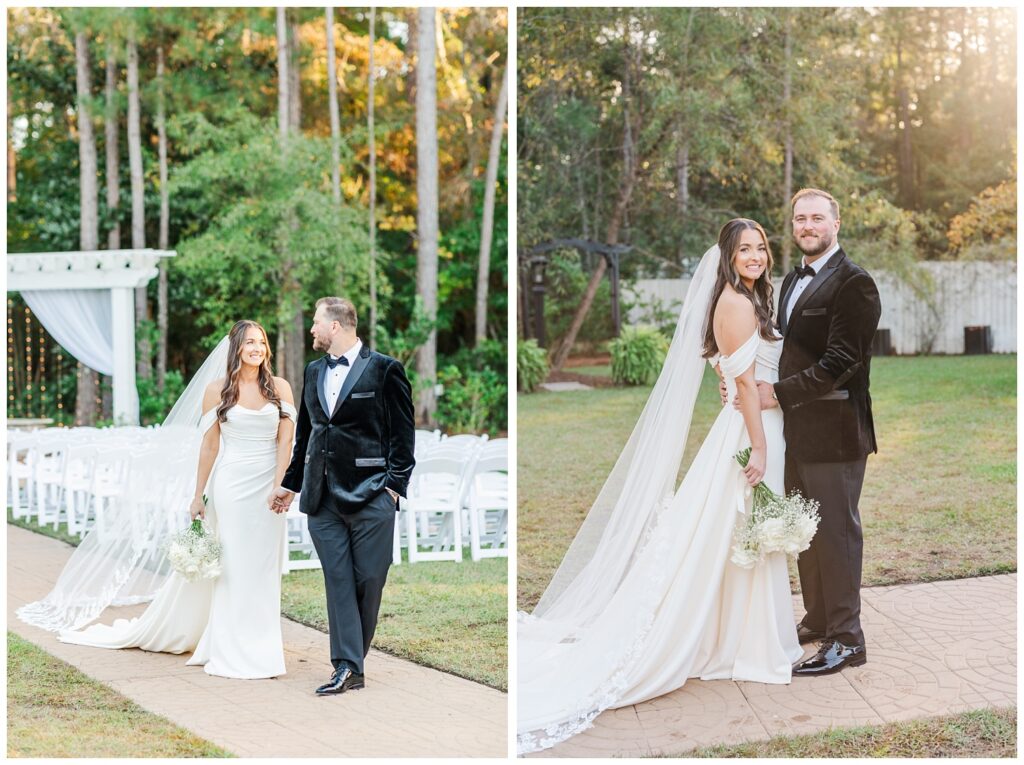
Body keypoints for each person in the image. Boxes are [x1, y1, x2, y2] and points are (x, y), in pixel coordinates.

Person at [517, 219, 802, 754]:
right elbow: (742, 383)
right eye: (744, 249)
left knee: (736, 538)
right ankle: (744, 645)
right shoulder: (736, 304)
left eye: (760, 247)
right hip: (750, 433)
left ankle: (738, 639)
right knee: (739, 535)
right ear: (727, 255)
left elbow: (735, 372)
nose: (756, 256)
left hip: (752, 425)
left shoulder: (745, 298)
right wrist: (760, 447)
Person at [47, 320, 296, 680]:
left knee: (263, 566)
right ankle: (231, 645)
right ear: (236, 349)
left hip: (268, 489)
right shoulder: (216, 391)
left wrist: (280, 485)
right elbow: (209, 445)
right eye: (249, 343)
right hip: (231, 486)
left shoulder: (281, 388)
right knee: (236, 566)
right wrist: (198, 495)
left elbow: (285, 443)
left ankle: (263, 642)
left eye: (261, 342)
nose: (257, 348)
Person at [760, 188, 881, 676]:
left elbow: (841, 362)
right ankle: (817, 618)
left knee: (836, 534)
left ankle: (848, 639)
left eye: (816, 218)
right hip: (795, 433)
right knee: (805, 533)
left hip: (836, 431)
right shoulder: (791, 279)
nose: (807, 226)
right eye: (799, 219)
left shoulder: (855, 283)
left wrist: (778, 394)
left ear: (836, 222)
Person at [271, 296, 416, 696]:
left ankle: (352, 660)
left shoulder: (386, 370)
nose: (312, 329)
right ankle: (348, 666)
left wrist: (392, 488)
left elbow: (404, 437)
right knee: (337, 582)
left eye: (317, 322)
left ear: (336, 326)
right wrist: (290, 483)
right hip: (323, 499)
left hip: (372, 496)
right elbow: (308, 435)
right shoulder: (313, 370)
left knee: (369, 581)